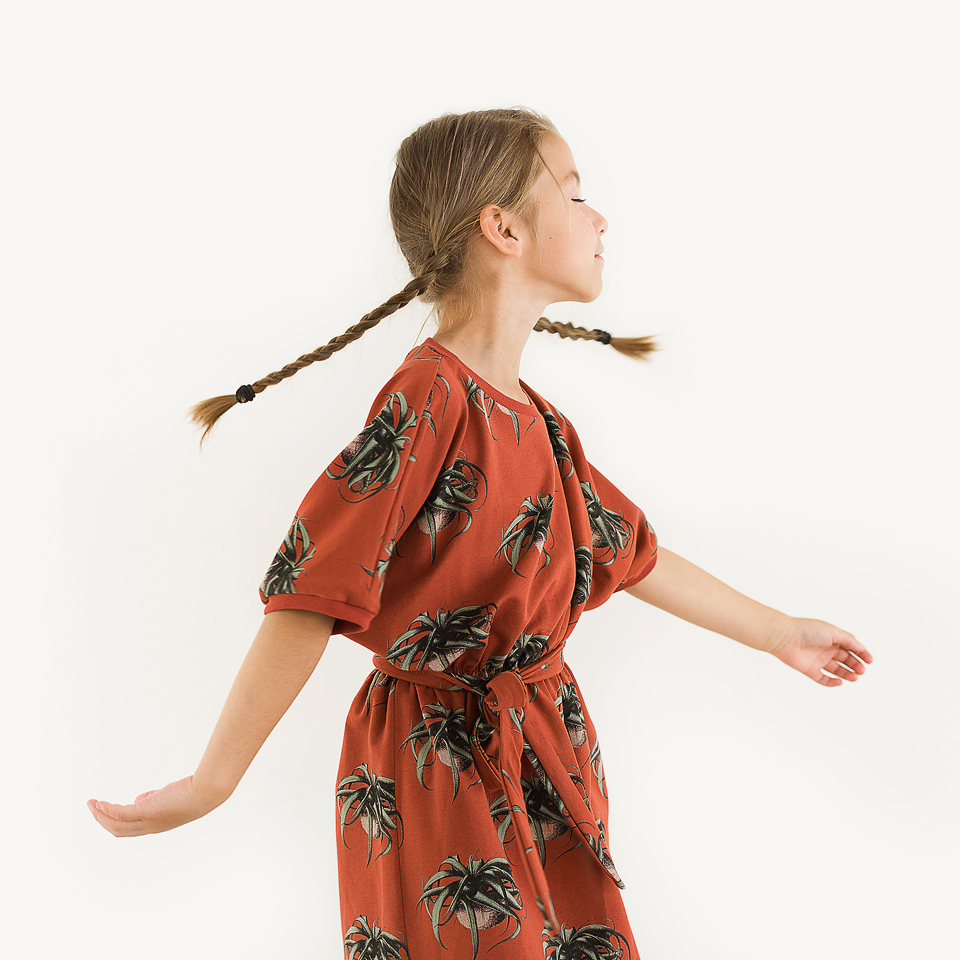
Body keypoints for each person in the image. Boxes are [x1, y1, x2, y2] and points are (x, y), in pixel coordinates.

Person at [86, 106, 872, 959]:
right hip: (441, 764)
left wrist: (778, 633)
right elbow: (312, 592)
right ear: (503, 229)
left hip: (544, 743)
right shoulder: (431, 398)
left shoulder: (539, 420)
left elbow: (631, 554)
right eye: (574, 194)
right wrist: (213, 782)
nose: (600, 218)